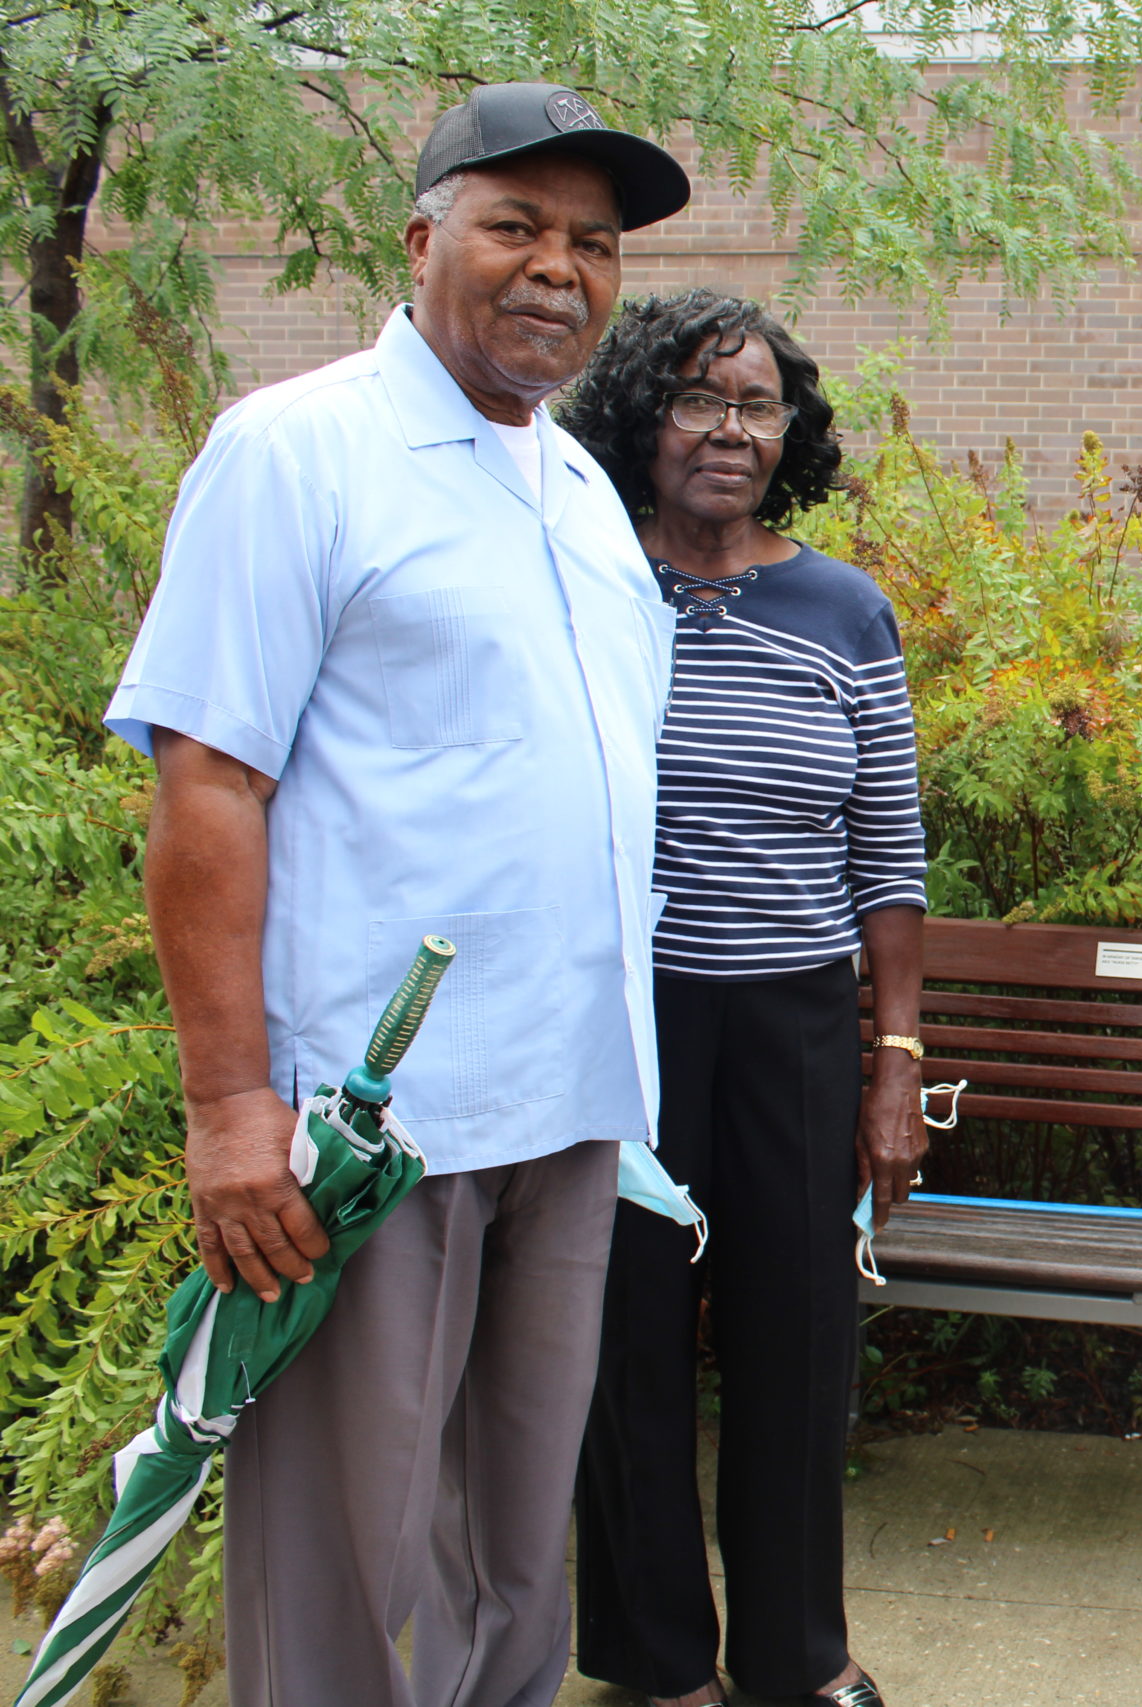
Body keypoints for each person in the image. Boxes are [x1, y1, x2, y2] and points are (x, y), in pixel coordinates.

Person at [106, 83, 689, 1707]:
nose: (557, 269)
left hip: (570, 1108)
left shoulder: (575, 491)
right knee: (344, 1558)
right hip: (374, 1132)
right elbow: (208, 785)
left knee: (514, 1546)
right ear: (423, 234)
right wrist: (231, 1110)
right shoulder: (296, 452)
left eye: (591, 243)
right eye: (516, 226)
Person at [559, 291, 929, 1707]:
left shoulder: (841, 608)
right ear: (642, 418)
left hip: (788, 1026)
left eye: (756, 404)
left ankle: (798, 1653)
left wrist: (892, 1062)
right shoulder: (587, 578)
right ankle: (659, 1660)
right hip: (621, 1026)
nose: (728, 429)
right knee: (623, 1343)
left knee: (796, 1340)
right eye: (698, 398)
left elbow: (886, 853)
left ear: (792, 432)